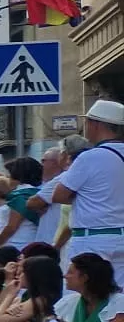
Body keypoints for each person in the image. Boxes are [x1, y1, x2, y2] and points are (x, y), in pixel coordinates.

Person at [54, 99, 124, 276]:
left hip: (92, 239)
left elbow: (59, 195)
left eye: (87, 121)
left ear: (95, 124)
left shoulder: (89, 157)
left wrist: (82, 196)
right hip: (120, 237)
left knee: (84, 295)